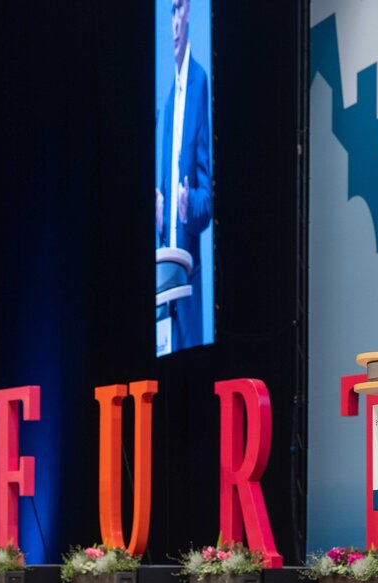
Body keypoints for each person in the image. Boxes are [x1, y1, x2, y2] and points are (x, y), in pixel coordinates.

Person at [156, 0, 212, 352]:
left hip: (189, 281)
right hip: (164, 285)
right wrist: (161, 213)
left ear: (188, 11)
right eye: (170, 13)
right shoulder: (166, 103)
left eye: (178, 10)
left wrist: (187, 203)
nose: (174, 24)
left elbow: (207, 200)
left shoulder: (200, 83)